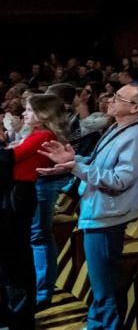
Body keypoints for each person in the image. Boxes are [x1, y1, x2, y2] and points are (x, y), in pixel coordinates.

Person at [37, 84, 138, 330]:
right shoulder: (119, 126)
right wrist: (73, 160)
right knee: (101, 281)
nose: (110, 100)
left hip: (108, 215)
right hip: (100, 210)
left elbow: (120, 179)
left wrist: (75, 167)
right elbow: (97, 162)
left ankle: (104, 326)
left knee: (106, 285)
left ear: (135, 107)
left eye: (117, 97)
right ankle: (96, 323)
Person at [0, 94, 65, 328]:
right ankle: (11, 309)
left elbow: (8, 158)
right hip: (15, 192)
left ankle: (20, 313)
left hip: (20, 195)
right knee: (10, 254)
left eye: (29, 110)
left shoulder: (43, 135)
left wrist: (2, 139)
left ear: (43, 113)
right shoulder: (35, 135)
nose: (24, 113)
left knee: (16, 253)